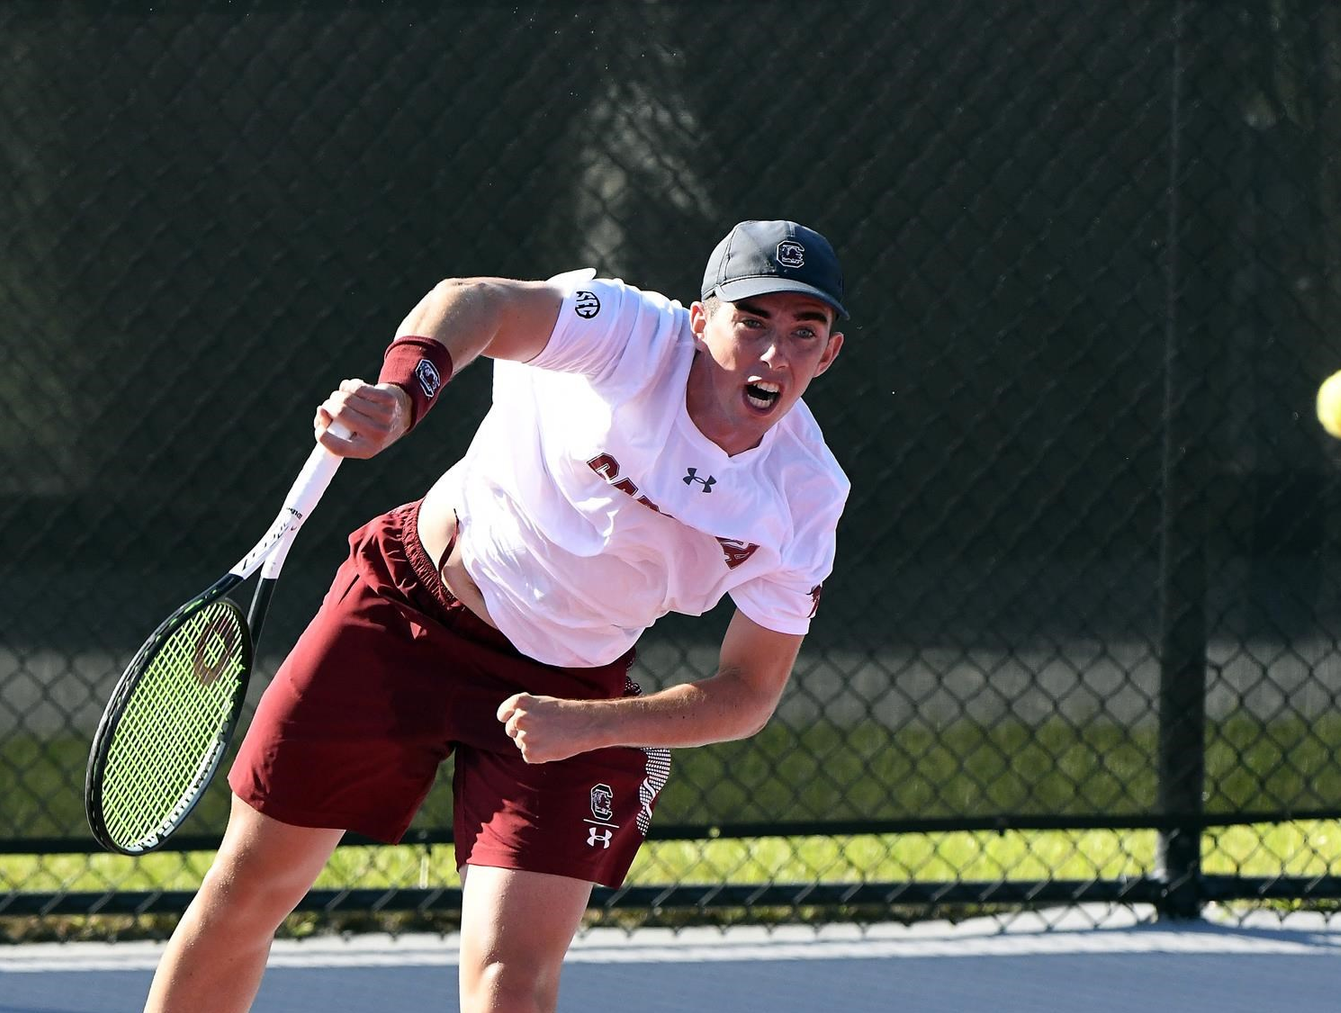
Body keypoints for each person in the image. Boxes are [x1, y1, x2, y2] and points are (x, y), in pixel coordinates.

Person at [144, 220, 851, 1013]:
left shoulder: (804, 498)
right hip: (406, 608)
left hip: (571, 689)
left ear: (828, 355)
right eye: (750, 320)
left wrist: (593, 724)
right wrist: (402, 396)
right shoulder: (627, 334)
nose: (771, 353)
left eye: (802, 332)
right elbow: (475, 302)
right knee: (249, 889)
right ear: (698, 321)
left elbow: (749, 691)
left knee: (511, 982)